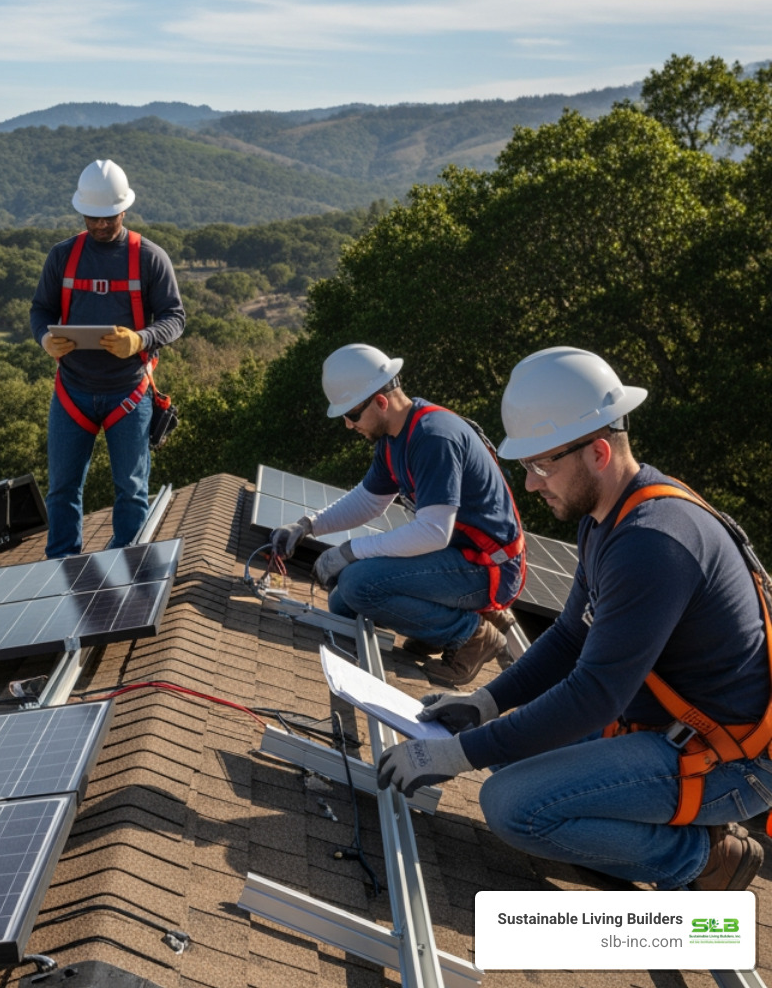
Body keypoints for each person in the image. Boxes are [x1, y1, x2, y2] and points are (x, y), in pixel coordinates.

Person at [377, 346, 772, 891]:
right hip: (663, 726)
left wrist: (456, 754)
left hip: (730, 757)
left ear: (599, 453)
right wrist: (484, 704)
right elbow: (568, 638)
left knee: (512, 803)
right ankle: (642, 815)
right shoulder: (607, 518)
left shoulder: (654, 544)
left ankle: (705, 859)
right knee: (505, 746)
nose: (533, 483)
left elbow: (594, 694)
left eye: (543, 465)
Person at [270, 344, 525, 687]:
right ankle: (441, 627)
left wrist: (348, 552)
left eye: (353, 415)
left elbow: (434, 532)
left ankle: (471, 636)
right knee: (342, 603)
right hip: (457, 556)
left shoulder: (434, 437)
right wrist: (308, 525)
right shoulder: (393, 439)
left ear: (380, 401)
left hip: (488, 566)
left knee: (359, 584)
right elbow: (368, 501)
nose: (348, 425)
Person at [29, 159, 185, 558]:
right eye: (92, 218)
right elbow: (40, 311)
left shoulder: (149, 257)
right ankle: (60, 566)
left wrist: (140, 340)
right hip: (72, 391)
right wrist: (45, 339)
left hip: (128, 393)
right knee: (62, 487)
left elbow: (175, 317)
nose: (100, 225)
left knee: (131, 490)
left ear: (124, 209)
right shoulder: (63, 256)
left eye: (108, 217)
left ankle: (128, 570)